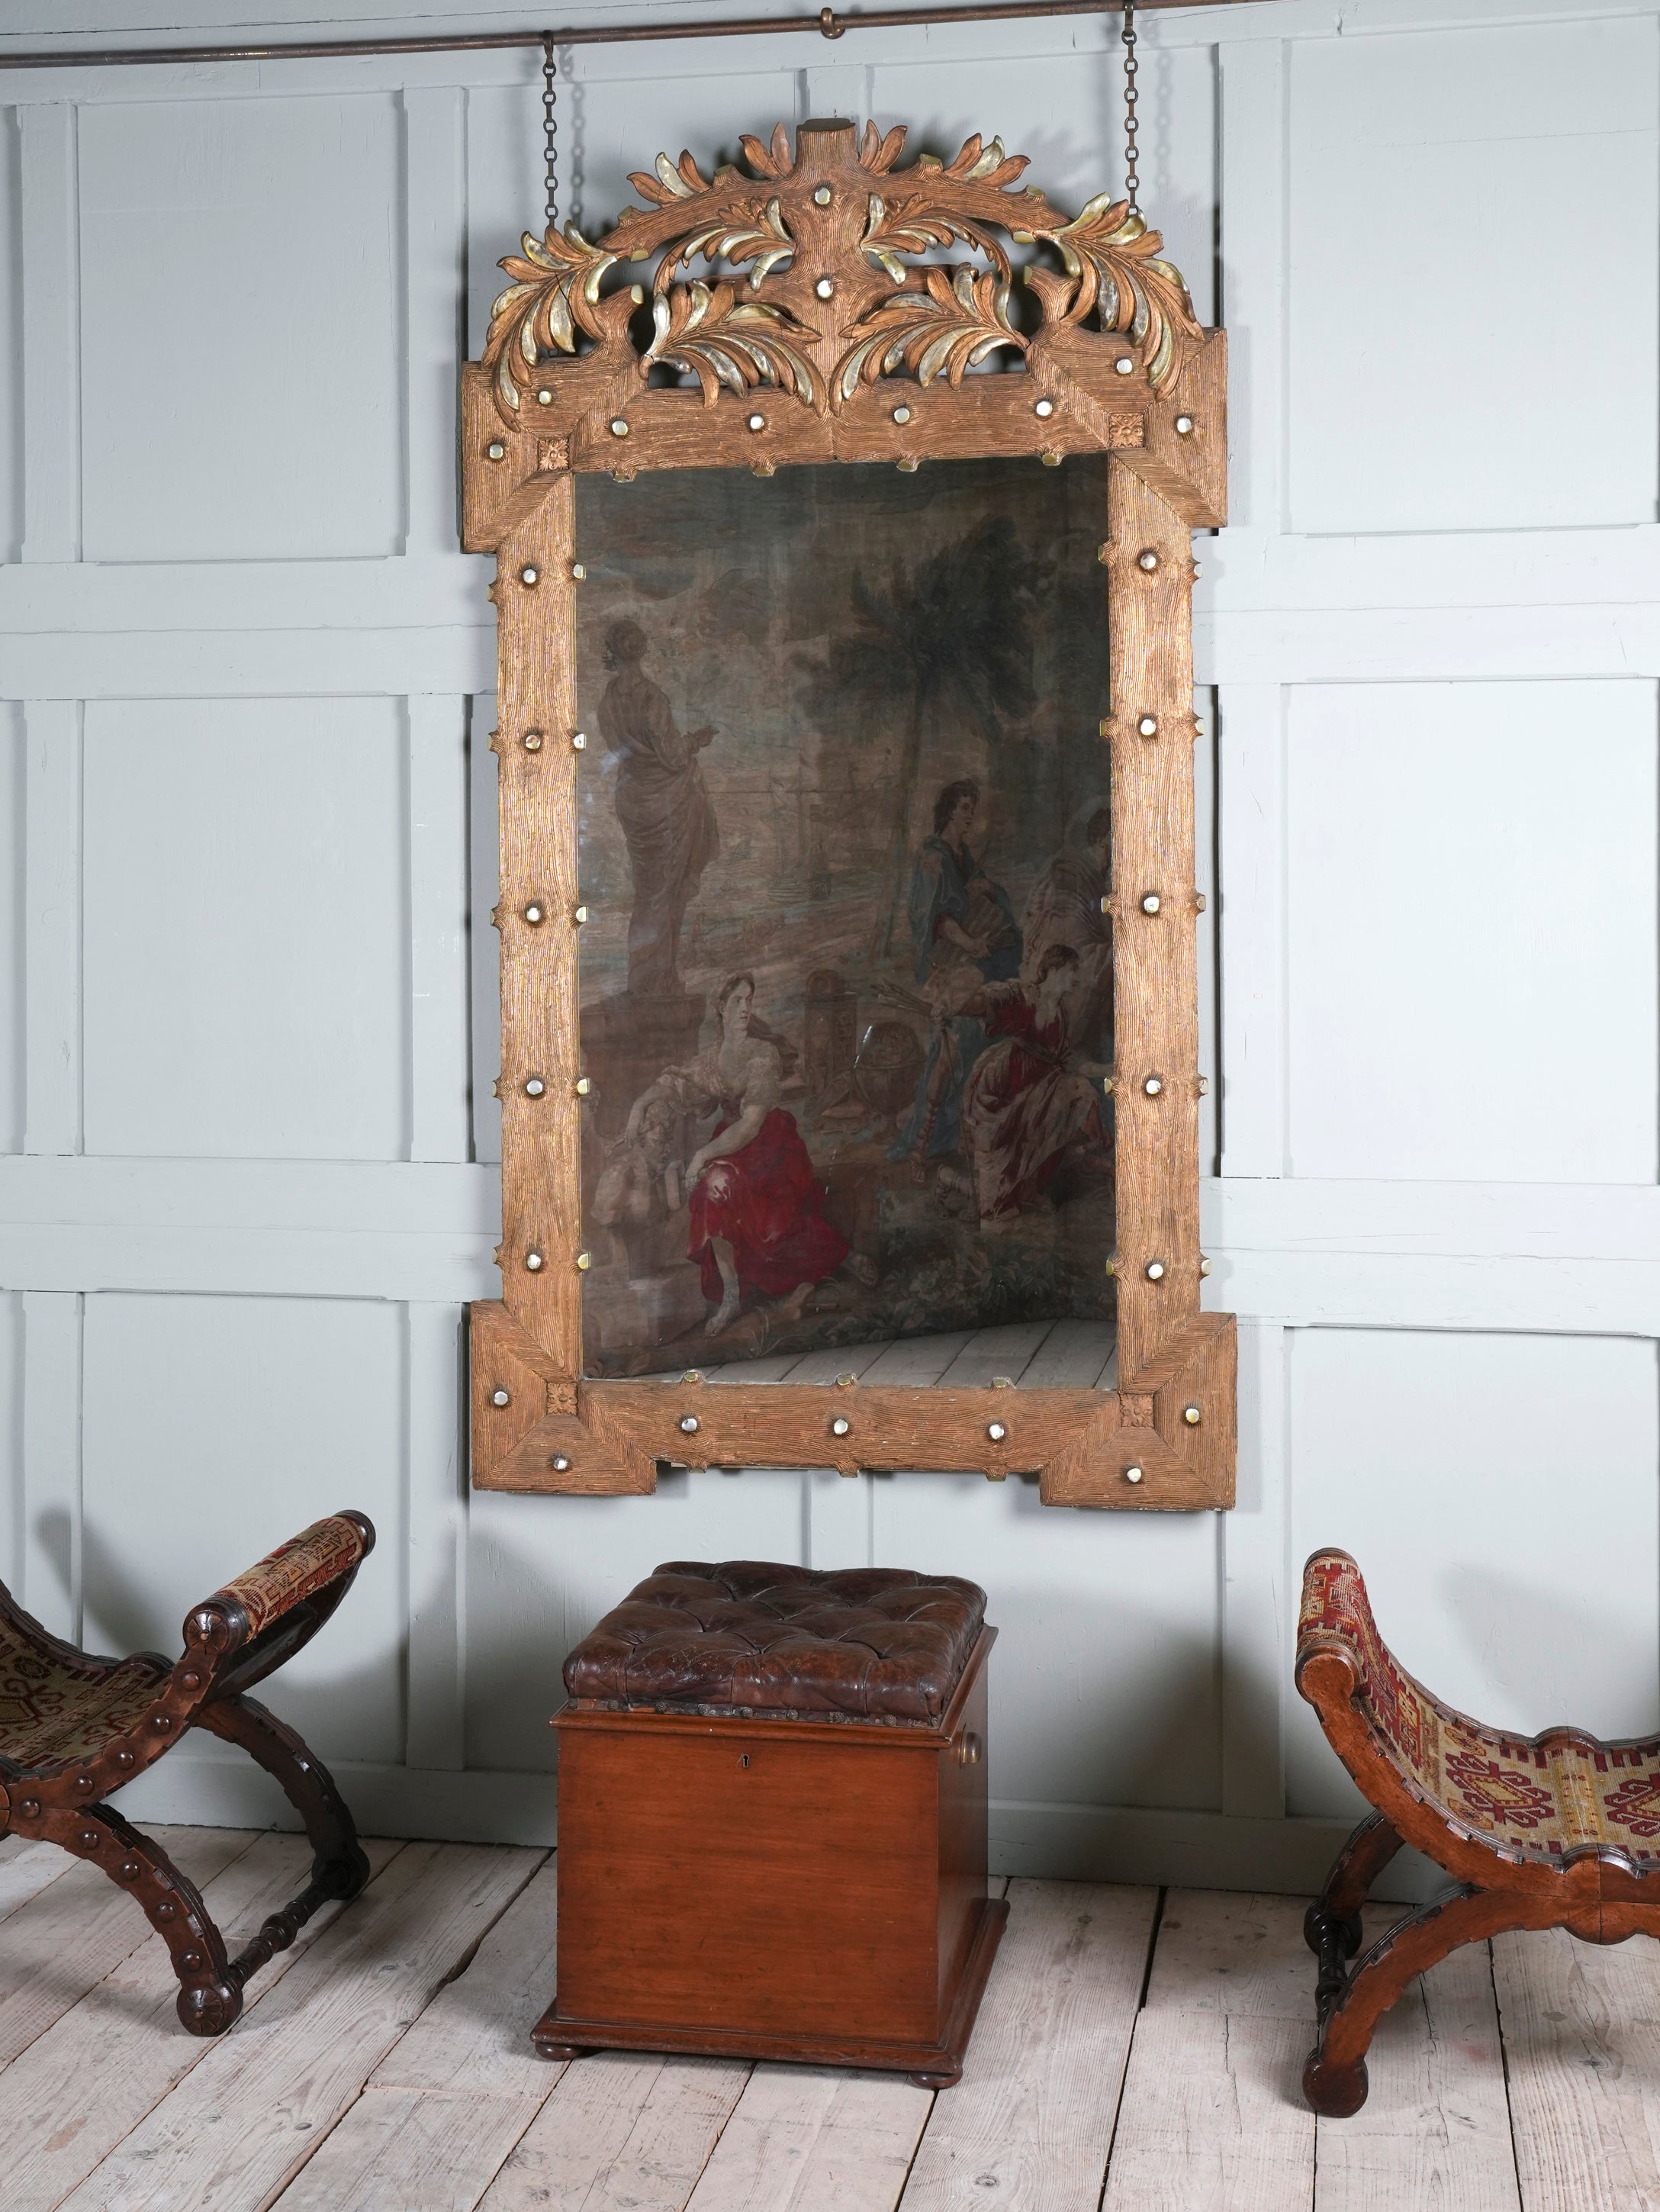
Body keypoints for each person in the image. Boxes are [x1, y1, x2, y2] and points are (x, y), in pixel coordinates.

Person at [621, 972, 863, 1335]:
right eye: (737, 1002)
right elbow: (672, 1084)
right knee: (709, 1193)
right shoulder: (711, 1059)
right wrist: (639, 1107)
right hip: (731, 1146)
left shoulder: (761, 1054)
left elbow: (751, 1124)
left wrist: (702, 1154)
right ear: (721, 1008)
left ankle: (837, 1259)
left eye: (750, 1000)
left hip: (770, 1145)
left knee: (771, 1219)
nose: (745, 1008)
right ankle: (732, 1295)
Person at [889, 778, 1022, 1175]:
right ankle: (944, 1134)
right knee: (954, 1042)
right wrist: (970, 944)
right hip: (948, 963)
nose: (970, 815)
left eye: (973, 808)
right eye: (964, 808)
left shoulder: (963, 855)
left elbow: (982, 901)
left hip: (971, 963)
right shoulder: (934, 858)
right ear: (948, 811)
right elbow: (938, 919)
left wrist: (986, 889)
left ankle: (981, 1127)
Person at [941, 943, 1112, 1224]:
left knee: (1081, 1096)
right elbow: (991, 1001)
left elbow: (1068, 1060)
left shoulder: (1061, 1015)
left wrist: (1106, 1069)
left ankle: (1030, 1188)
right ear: (1054, 968)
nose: (1077, 978)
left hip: (1037, 1090)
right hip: (1006, 1088)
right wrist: (957, 1006)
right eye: (1072, 970)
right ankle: (948, 1180)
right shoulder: (1025, 996)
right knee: (997, 1198)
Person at [597, 617, 719, 997]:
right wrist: (696, 740)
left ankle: (645, 979)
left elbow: (621, 752)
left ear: (613, 654)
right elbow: (673, 756)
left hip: (633, 801)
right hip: (666, 803)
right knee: (666, 892)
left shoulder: (607, 701)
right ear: (640, 650)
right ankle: (658, 982)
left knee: (649, 892)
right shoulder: (650, 697)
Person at [1023, 803, 1112, 1060]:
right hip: (1056, 975)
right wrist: (1115, 952)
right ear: (1102, 838)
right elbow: (1069, 942)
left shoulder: (1094, 880)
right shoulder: (1071, 877)